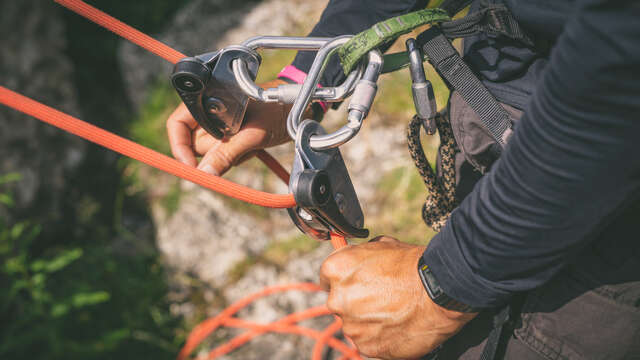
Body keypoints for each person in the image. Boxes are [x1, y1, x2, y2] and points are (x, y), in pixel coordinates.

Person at [166, 0, 640, 359]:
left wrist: (447, 283)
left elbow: (621, 74)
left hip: (605, 201)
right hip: (515, 141)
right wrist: (304, 79)